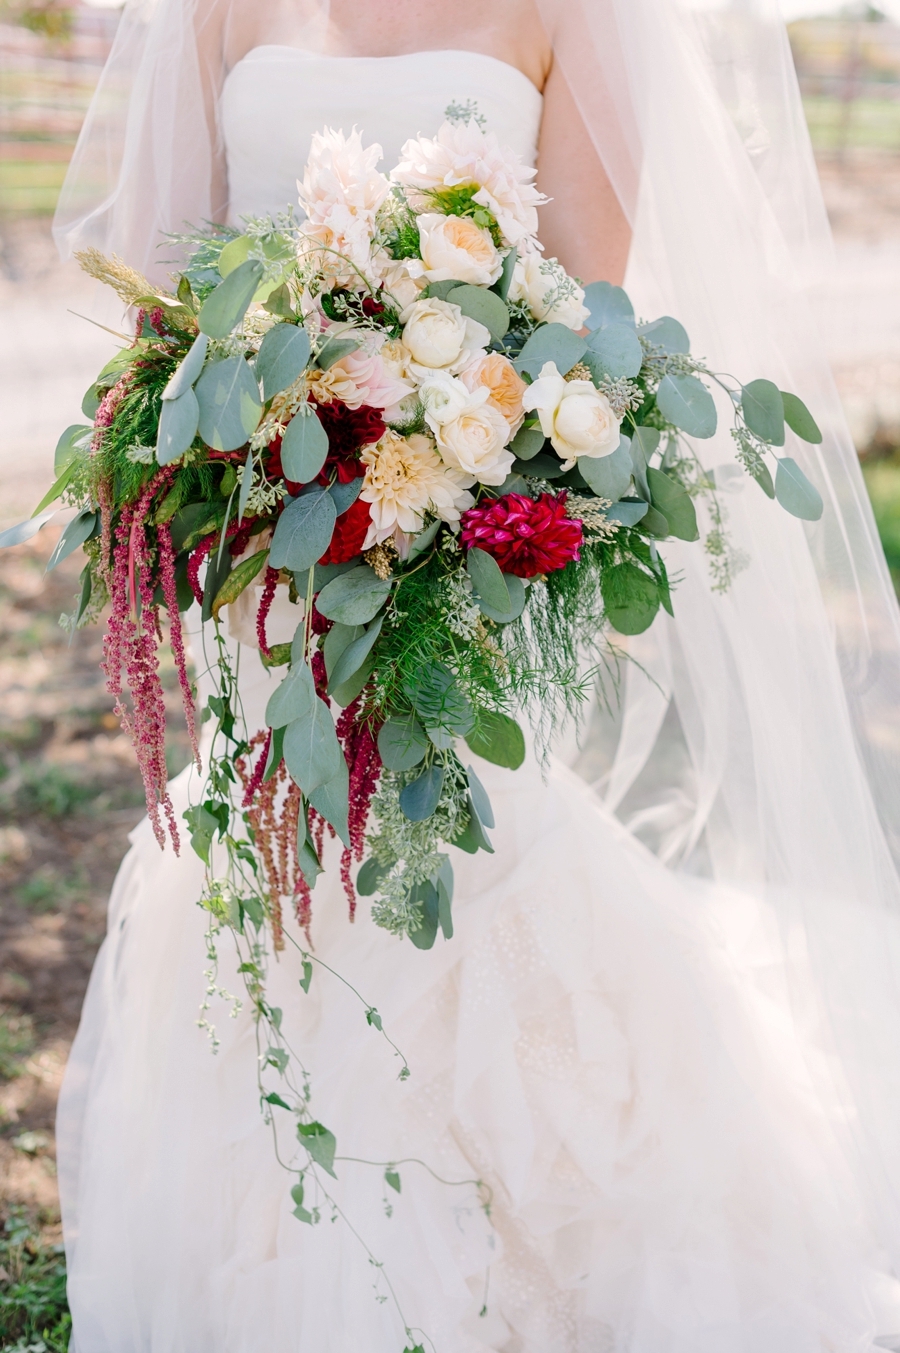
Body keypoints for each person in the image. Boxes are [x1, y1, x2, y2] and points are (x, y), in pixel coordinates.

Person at [52, 0, 900, 1348]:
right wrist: (233, 471)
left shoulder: (577, 14)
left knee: (458, 854)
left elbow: (583, 328)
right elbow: (161, 311)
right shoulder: (220, 9)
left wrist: (447, 474)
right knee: (276, 875)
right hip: (270, 552)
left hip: (458, 538)